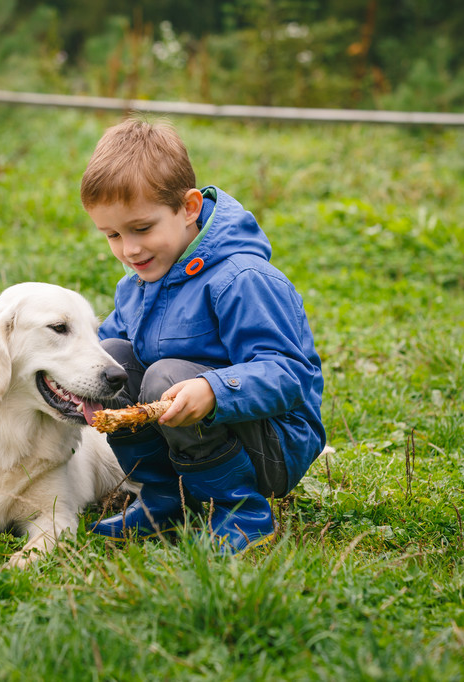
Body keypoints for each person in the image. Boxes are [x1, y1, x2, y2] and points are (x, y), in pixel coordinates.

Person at [80, 116, 325, 554]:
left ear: (189, 208)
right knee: (109, 360)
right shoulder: (138, 282)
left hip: (271, 444)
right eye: (112, 235)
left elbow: (290, 376)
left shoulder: (241, 278)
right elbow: (94, 355)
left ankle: (238, 512)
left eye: (142, 228)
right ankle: (164, 503)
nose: (129, 249)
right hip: (194, 433)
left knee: (166, 379)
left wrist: (215, 389)